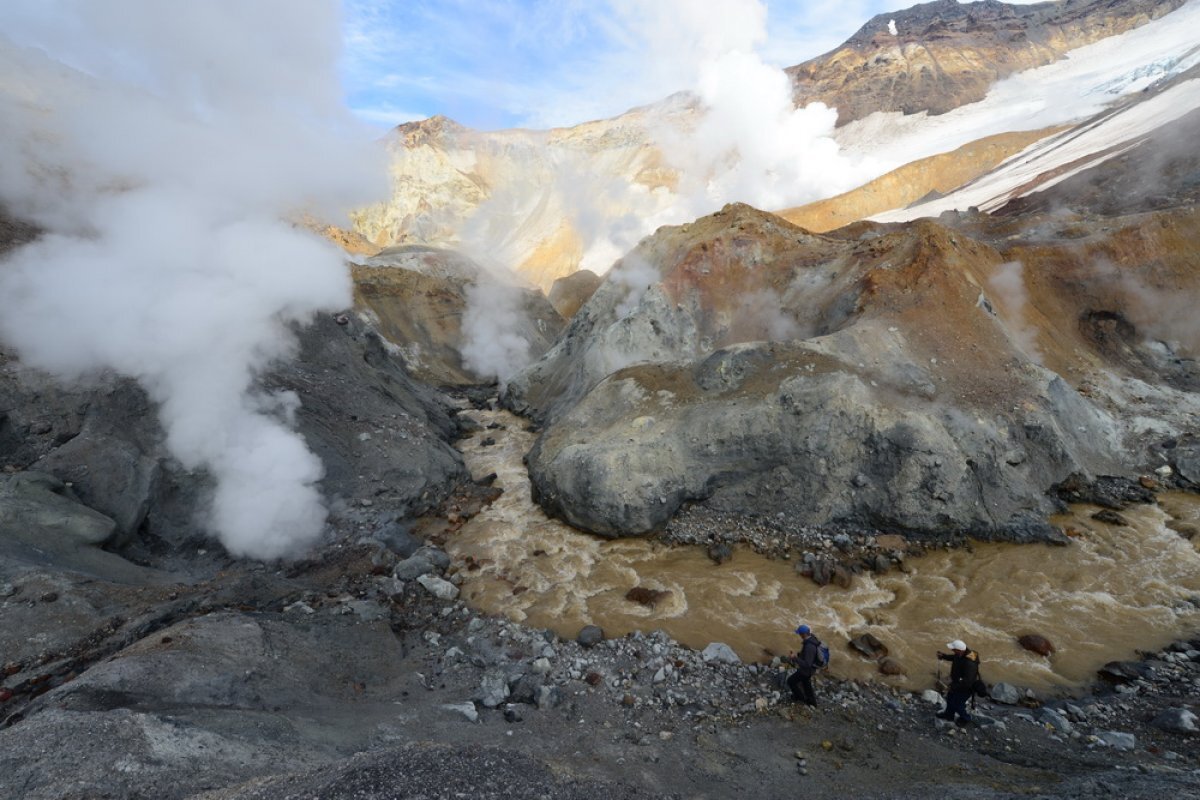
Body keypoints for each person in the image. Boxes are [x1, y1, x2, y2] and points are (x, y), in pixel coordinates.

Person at [936, 639, 979, 725]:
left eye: (954, 650)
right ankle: (949, 715)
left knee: (958, 704)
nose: (952, 650)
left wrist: (953, 687)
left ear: (959, 650)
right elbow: (954, 657)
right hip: (958, 683)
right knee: (950, 698)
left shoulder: (970, 663)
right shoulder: (961, 654)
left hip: (966, 687)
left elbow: (968, 681)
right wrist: (944, 656)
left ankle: (965, 718)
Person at [786, 624, 821, 706]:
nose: (799, 635)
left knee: (790, 681)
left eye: (800, 633)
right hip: (811, 670)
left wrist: (795, 658)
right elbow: (808, 657)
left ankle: (800, 697)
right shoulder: (812, 639)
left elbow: (807, 664)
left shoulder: (809, 646)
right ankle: (812, 702)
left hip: (806, 671)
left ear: (804, 634)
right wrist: (799, 655)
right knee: (806, 684)